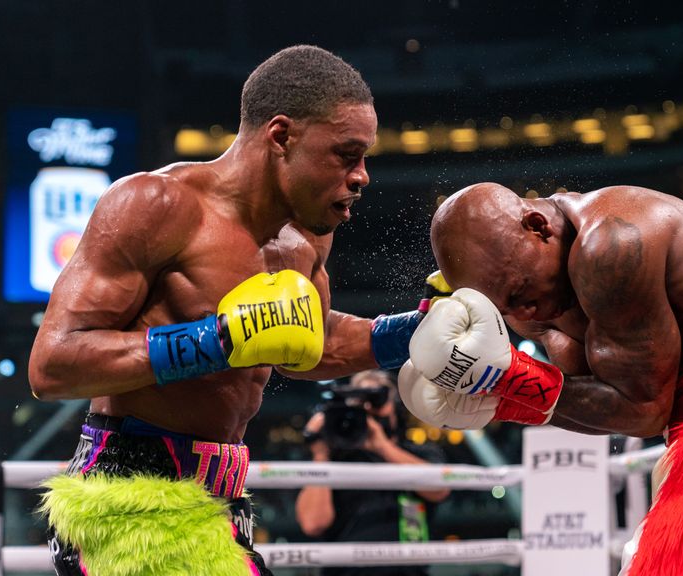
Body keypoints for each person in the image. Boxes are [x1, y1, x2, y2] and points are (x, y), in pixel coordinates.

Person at [29, 46, 428, 576]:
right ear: (281, 136)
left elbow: (310, 346)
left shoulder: (305, 240)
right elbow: (53, 363)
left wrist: (414, 334)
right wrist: (215, 341)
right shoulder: (156, 204)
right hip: (127, 502)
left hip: (223, 501)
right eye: (345, 154)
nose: (362, 176)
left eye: (364, 158)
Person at [398, 182, 683, 575]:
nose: (523, 315)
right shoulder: (536, 283)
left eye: (518, 295)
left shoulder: (609, 244)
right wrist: (501, 397)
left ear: (537, 226)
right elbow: (601, 403)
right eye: (506, 309)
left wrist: (509, 383)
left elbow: (644, 409)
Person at [296, 370, 450, 576]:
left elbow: (439, 489)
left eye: (375, 401)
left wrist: (382, 447)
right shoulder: (332, 462)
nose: (368, 410)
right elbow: (313, 524)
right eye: (360, 404)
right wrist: (321, 453)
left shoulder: (419, 453)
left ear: (395, 408)